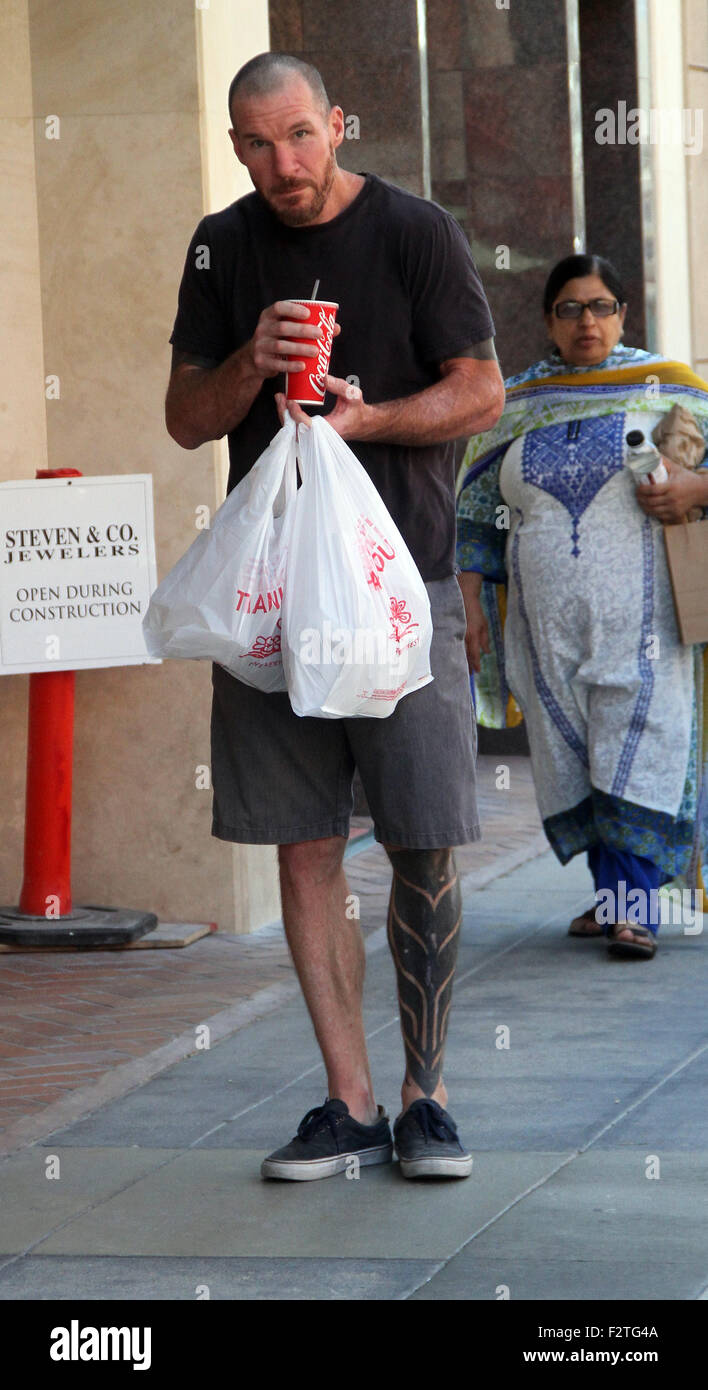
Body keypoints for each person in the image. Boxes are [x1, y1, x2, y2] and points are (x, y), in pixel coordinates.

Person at [165, 52, 504, 1178]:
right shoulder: (222, 244)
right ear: (235, 146)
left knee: (421, 840)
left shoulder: (415, 231)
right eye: (257, 144)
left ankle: (428, 1096)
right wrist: (252, 369)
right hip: (272, 606)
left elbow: (481, 388)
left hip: (398, 591)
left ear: (339, 125)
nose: (284, 164)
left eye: (300, 135)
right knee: (305, 845)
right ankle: (349, 1101)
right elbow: (182, 415)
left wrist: (372, 422)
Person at [457, 254, 708, 961]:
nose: (587, 321)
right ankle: (614, 901)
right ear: (547, 322)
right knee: (573, 750)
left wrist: (690, 491)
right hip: (543, 625)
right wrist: (470, 604)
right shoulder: (515, 403)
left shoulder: (668, 389)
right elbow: (474, 512)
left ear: (624, 314)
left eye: (600, 306)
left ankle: (634, 911)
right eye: (569, 309)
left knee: (640, 744)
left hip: (649, 622)